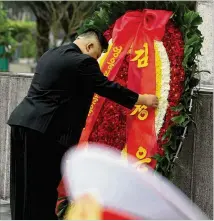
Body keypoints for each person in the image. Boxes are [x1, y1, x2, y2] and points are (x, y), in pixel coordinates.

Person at [7, 29, 158, 220]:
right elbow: (105, 86)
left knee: (22, 187)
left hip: (22, 122)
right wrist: (141, 99)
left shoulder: (51, 54)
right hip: (44, 132)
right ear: (89, 46)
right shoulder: (83, 61)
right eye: (96, 55)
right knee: (42, 189)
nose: (95, 60)